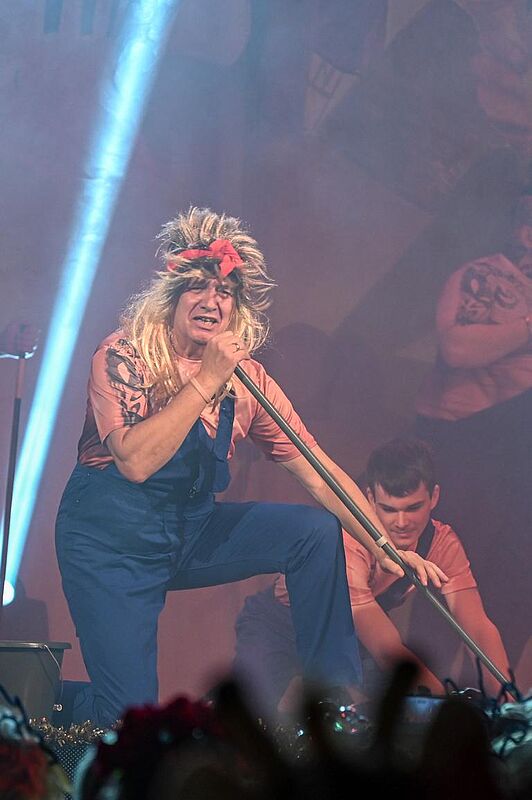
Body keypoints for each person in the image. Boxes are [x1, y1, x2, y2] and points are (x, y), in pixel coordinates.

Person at [55, 207, 444, 727]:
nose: (211, 301)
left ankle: (334, 700)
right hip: (109, 541)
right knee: (126, 717)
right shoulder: (125, 355)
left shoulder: (249, 381)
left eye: (225, 292)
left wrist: (385, 546)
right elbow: (134, 462)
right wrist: (205, 380)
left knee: (311, 533)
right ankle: (30, 690)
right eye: (197, 287)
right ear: (171, 297)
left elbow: (317, 472)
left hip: (188, 530)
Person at [234, 438, 510, 713]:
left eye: (413, 508)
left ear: (434, 497)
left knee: (395, 708)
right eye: (389, 509)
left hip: (348, 634)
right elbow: (386, 648)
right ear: (370, 498)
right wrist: (444, 709)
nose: (402, 523)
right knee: (251, 711)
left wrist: (509, 704)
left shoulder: (442, 543)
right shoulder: (346, 542)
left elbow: (478, 628)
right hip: (281, 625)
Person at [415, 190, 532, 682]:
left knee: (513, 592)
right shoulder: (488, 277)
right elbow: (458, 348)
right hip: (467, 450)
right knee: (447, 585)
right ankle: (421, 705)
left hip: (518, 464)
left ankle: (492, 707)